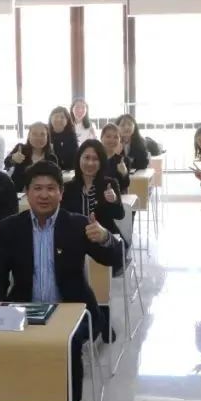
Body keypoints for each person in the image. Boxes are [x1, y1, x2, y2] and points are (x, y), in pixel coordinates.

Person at [0, 161, 123, 401]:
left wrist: (106, 238)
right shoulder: (11, 227)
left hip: (72, 309)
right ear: (26, 193)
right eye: (37, 188)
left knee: (69, 345)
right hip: (25, 310)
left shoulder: (77, 224)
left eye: (51, 188)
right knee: (13, 348)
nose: (44, 195)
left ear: (61, 193)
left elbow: (115, 260)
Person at [63, 139, 127, 342]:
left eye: (95, 159)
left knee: (98, 268)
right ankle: (85, 316)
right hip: (75, 239)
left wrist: (114, 201)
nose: (90, 163)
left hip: (103, 239)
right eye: (86, 158)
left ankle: (103, 315)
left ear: (101, 162)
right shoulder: (67, 187)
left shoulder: (109, 183)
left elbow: (119, 215)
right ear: (79, 159)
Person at [7, 122, 60, 191]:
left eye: (42, 134)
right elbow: (7, 163)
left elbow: (56, 180)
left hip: (43, 193)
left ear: (47, 138)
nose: (38, 138)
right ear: (29, 136)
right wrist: (13, 159)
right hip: (20, 193)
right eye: (34, 134)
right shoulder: (21, 149)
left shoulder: (51, 158)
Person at [100, 123, 132, 192]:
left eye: (116, 137)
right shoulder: (95, 159)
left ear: (120, 140)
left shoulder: (124, 160)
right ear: (101, 138)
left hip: (116, 196)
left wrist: (124, 173)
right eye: (108, 136)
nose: (112, 140)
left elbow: (125, 185)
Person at [49, 105, 79, 171]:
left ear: (67, 120)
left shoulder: (72, 136)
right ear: (51, 119)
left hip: (69, 171)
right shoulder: (46, 135)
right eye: (56, 116)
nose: (59, 119)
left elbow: (75, 157)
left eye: (62, 117)